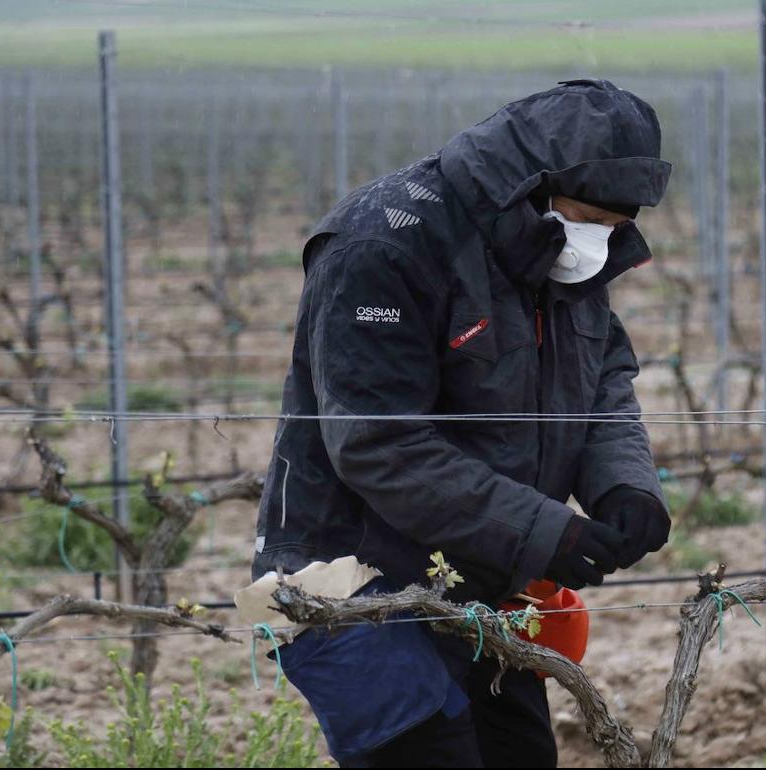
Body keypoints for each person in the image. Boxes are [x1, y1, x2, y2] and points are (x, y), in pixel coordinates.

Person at [248, 79, 672, 767]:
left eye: (618, 229)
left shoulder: (554, 253)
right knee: (432, 754)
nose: (602, 241)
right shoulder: (381, 246)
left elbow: (601, 379)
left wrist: (626, 486)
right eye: (592, 217)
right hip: (352, 581)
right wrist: (546, 531)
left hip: (482, 581)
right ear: (530, 188)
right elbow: (380, 444)